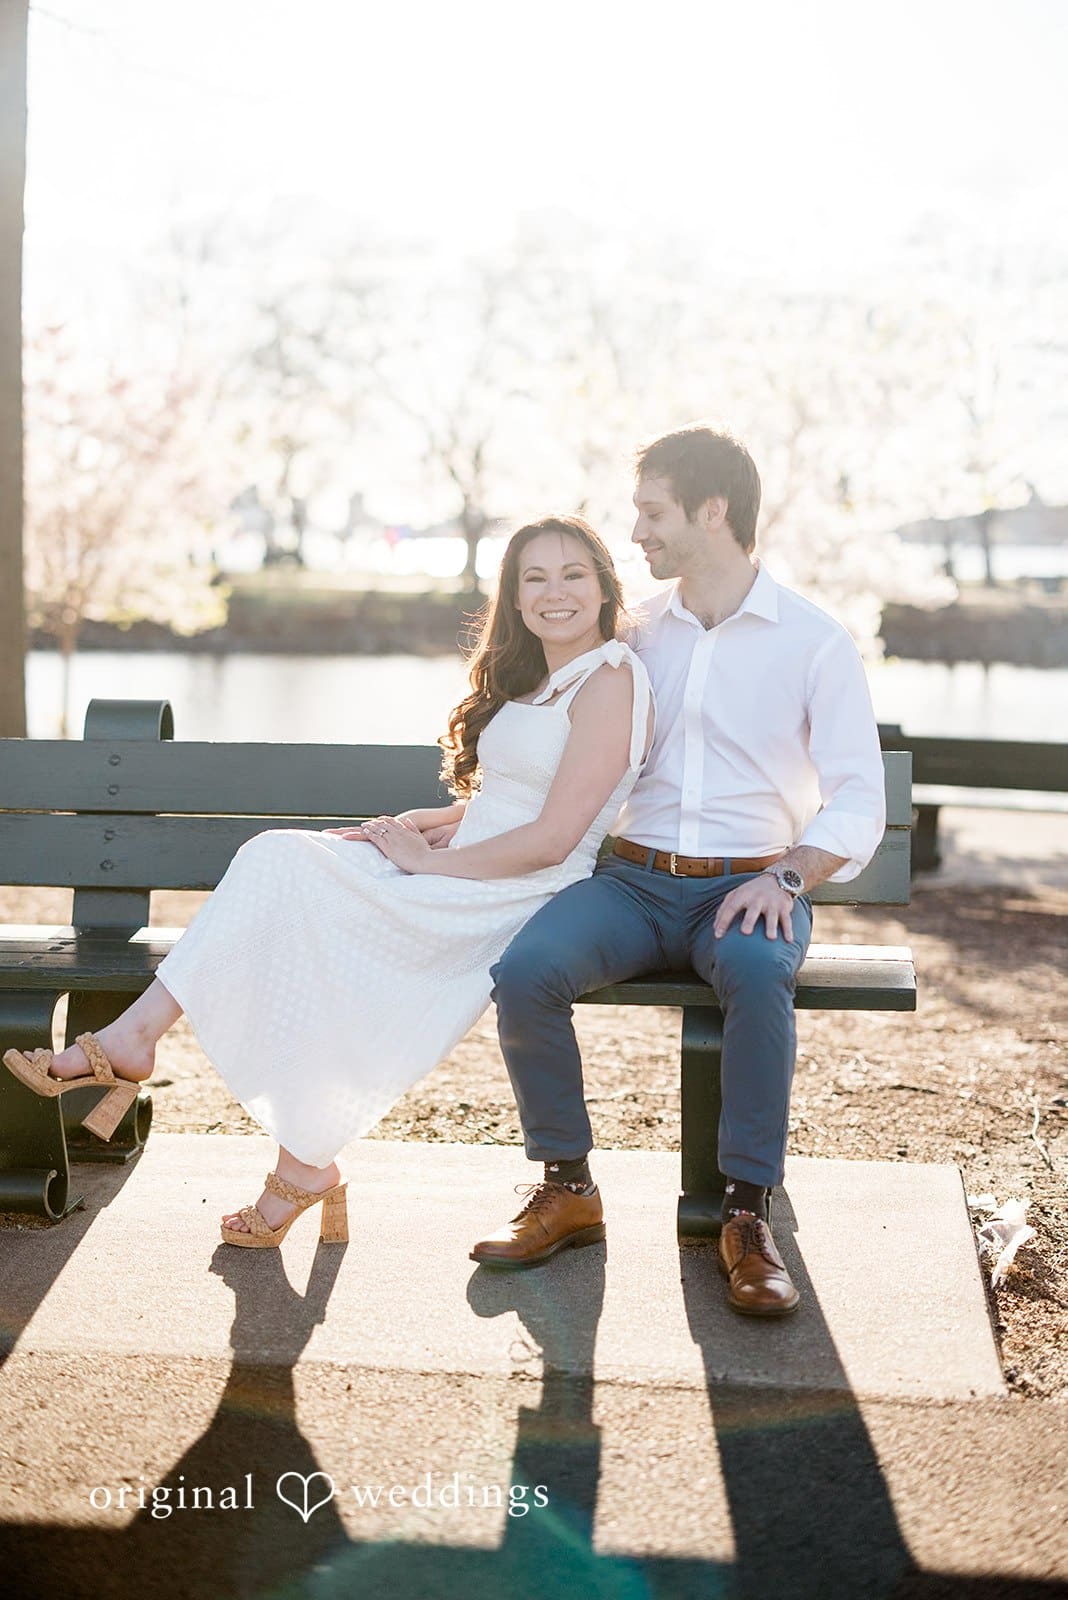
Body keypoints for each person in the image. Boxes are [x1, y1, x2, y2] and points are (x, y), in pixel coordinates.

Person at [4, 515, 653, 1251]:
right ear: (513, 594)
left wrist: (426, 862)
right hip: (465, 862)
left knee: (310, 908)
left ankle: (235, 1115)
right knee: (278, 861)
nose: (554, 592)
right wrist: (418, 824)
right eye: (534, 577)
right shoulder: (544, 677)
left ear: (604, 584)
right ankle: (166, 1061)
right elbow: (511, 799)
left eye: (573, 574)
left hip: (511, 892)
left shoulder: (610, 681)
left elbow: (554, 837)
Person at [472, 427, 886, 1314]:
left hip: (748, 888)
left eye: (653, 513)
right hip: (631, 883)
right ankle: (568, 1186)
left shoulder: (814, 641)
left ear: (713, 511)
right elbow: (546, 740)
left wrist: (789, 876)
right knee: (526, 971)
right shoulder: (631, 635)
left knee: (754, 974)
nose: (637, 534)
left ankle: (745, 1216)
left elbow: (858, 798)